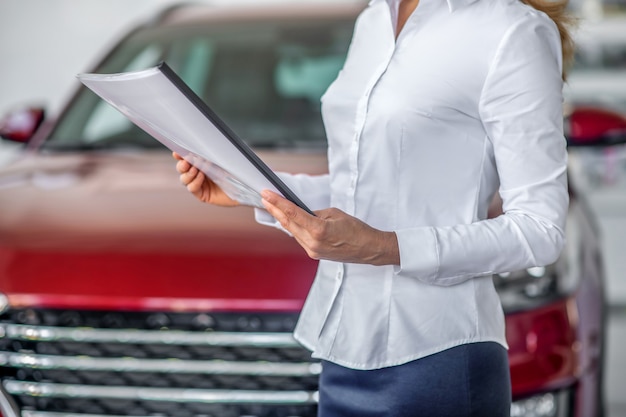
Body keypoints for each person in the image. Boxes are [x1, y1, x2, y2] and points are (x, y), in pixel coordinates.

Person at [174, 0, 575, 414]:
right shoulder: (373, 20)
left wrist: (383, 247)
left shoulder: (513, 31)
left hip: (439, 358)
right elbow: (361, 187)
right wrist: (247, 189)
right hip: (342, 353)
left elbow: (539, 230)